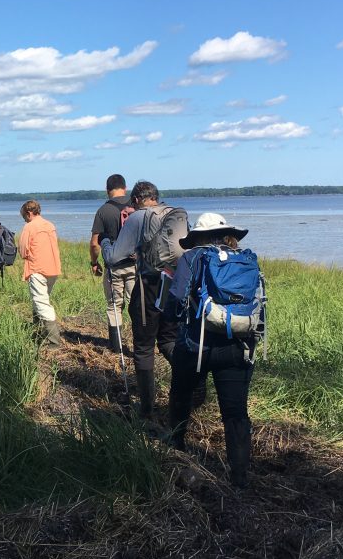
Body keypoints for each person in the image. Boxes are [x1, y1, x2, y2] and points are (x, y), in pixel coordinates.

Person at [165, 213, 255, 488]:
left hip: (196, 346)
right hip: (238, 345)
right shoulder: (247, 260)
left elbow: (174, 304)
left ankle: (177, 450)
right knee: (235, 413)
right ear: (228, 235)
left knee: (180, 395)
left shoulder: (192, 258)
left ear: (199, 237)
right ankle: (240, 478)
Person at [106, 181, 179, 418]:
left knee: (144, 348)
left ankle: (146, 410)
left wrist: (107, 243)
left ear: (137, 199)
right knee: (169, 340)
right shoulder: (173, 214)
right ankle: (191, 385)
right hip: (175, 286)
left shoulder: (138, 218)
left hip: (148, 286)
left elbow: (114, 257)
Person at [90, 174, 136, 352]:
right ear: (125, 187)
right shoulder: (136, 206)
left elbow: (95, 243)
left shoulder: (103, 211)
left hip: (113, 267)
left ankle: (116, 348)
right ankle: (140, 344)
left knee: (114, 306)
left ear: (107, 189)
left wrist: (94, 262)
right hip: (135, 264)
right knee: (136, 305)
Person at [18, 200, 62, 347]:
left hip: (37, 268)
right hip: (53, 268)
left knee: (41, 302)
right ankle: (38, 330)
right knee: (42, 299)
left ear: (29, 213)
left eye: (24, 216)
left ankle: (54, 341)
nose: (24, 219)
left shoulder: (29, 227)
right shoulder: (50, 225)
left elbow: (23, 250)